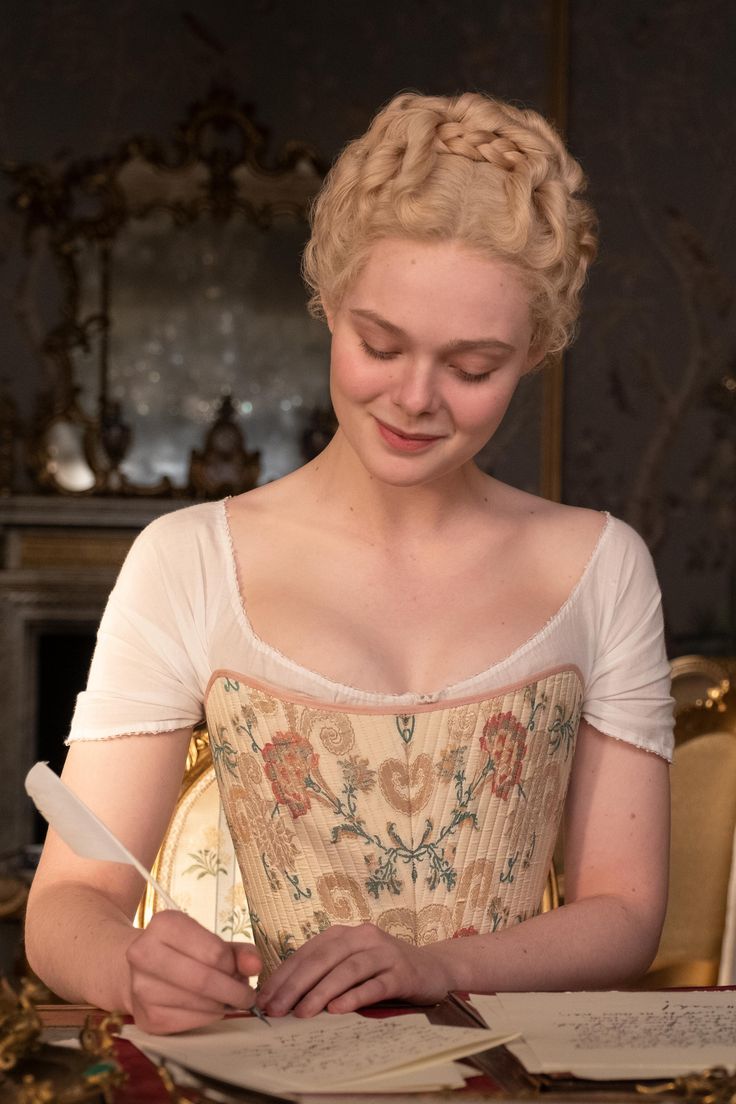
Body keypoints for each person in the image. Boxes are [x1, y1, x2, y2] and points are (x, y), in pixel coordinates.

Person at [25, 90, 673, 1036]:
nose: (415, 398)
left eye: (472, 366)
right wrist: (132, 967)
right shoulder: (191, 561)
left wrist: (435, 966)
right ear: (327, 301)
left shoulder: (603, 566)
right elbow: (66, 903)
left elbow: (625, 915)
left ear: (535, 351)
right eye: (380, 344)